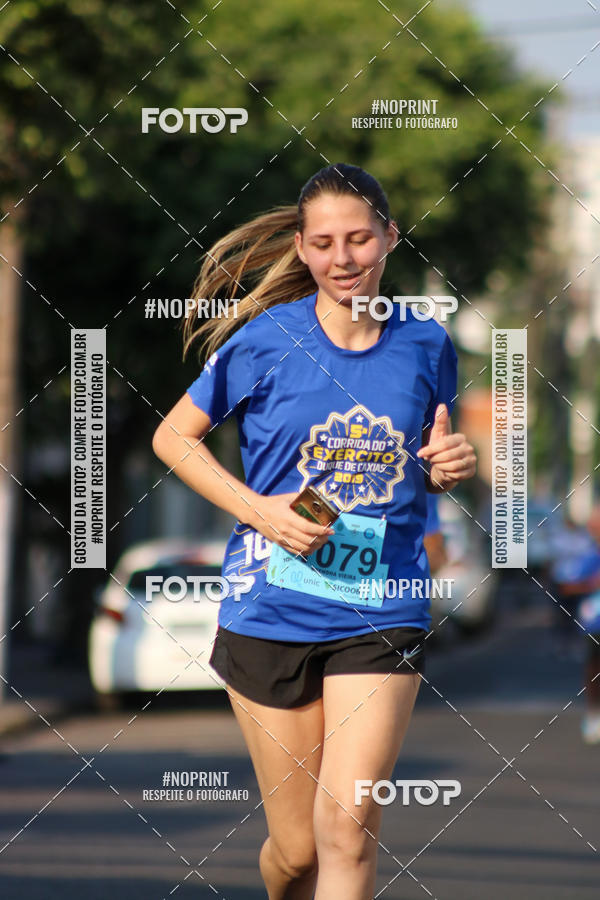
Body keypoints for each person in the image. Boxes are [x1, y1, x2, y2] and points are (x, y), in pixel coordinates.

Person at [152, 163, 477, 900]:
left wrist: (450, 463)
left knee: (348, 826)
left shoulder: (426, 345)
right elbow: (173, 438)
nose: (343, 258)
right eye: (325, 242)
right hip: (271, 603)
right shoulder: (264, 342)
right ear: (301, 249)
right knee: (297, 850)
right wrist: (257, 509)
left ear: (390, 238)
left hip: (381, 605)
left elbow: (426, 461)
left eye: (360, 239)